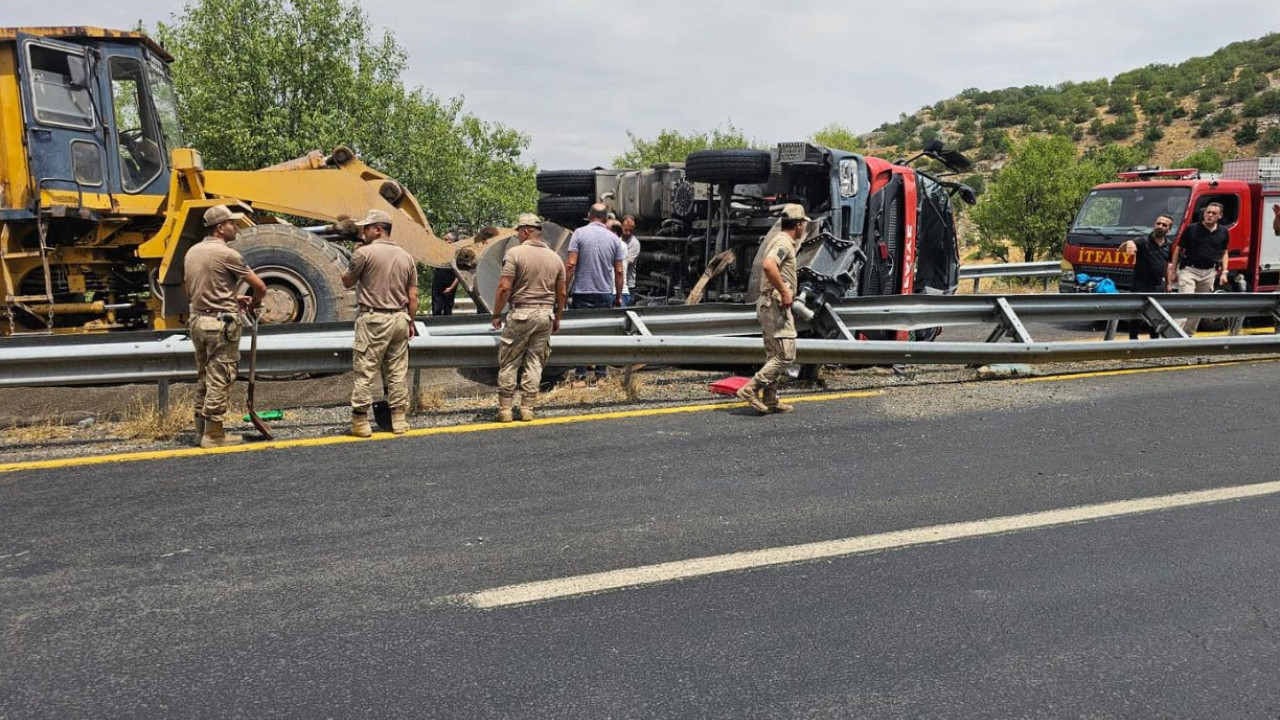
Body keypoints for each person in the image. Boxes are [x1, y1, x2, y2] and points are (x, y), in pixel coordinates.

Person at [182, 205, 267, 448]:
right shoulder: (228, 255)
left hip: (198, 321)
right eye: (231, 223)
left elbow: (191, 290)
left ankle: (200, 430)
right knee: (221, 377)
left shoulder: (192, 252)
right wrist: (255, 303)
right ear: (220, 228)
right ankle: (214, 435)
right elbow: (260, 287)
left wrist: (231, 298)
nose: (235, 227)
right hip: (220, 325)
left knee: (204, 376)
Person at [342, 209, 419, 437]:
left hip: (374, 319)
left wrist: (354, 255)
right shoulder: (406, 257)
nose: (362, 232)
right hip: (400, 319)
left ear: (377, 229)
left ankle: (360, 422)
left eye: (366, 228)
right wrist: (411, 321)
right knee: (397, 371)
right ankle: (399, 420)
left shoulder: (363, 253)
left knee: (365, 371)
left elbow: (347, 282)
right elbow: (413, 295)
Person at [489, 213, 566, 422]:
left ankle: (505, 409)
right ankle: (527, 408)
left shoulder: (515, 254)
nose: (517, 236)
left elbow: (504, 287)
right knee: (535, 362)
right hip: (545, 315)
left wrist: (496, 314)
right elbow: (562, 293)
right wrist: (557, 318)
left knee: (510, 361)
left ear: (525, 231)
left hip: (521, 313)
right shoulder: (555, 258)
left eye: (518, 232)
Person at [736, 204, 808, 415]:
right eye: (803, 224)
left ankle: (770, 398)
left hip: (769, 304)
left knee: (774, 355)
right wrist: (785, 291)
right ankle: (751, 389)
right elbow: (769, 265)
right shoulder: (784, 242)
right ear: (799, 225)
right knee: (786, 355)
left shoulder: (779, 239)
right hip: (775, 306)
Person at [565, 203, 624, 383]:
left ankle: (581, 374)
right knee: (603, 334)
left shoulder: (578, 233)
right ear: (606, 218)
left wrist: (562, 290)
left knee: (581, 333)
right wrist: (618, 296)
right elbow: (619, 271)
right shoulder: (614, 239)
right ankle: (601, 375)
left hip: (582, 292)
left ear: (588, 215)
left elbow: (571, 264)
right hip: (605, 292)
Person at [1168, 202, 1229, 335]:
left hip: (1209, 272)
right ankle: (1173, 336)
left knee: (1199, 306)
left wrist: (1224, 272)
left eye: (1214, 213)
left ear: (1220, 216)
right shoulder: (1192, 229)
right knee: (1185, 303)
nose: (1210, 215)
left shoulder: (1223, 232)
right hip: (1189, 270)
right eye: (1208, 212)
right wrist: (1173, 271)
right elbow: (1178, 249)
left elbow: (1224, 252)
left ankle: (1188, 336)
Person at [1118, 214, 1174, 339]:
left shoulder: (1169, 245)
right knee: (1136, 316)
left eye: (1164, 225)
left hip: (1158, 286)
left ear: (1169, 229)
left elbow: (1166, 265)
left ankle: (1154, 342)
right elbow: (1121, 249)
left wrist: (1168, 283)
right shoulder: (1143, 241)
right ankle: (1133, 341)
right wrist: (1129, 243)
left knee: (1156, 316)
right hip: (1140, 285)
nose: (1160, 226)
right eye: (1158, 223)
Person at [621, 215, 641, 306]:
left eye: (631, 230)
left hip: (628, 285)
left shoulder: (635, 243)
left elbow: (626, 263)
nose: (628, 233)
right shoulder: (616, 239)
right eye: (625, 230)